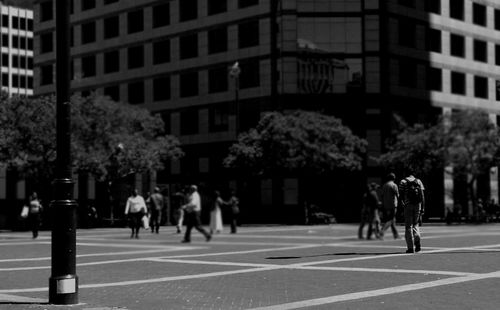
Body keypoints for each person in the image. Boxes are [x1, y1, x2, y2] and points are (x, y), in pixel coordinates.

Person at [399, 169, 425, 253]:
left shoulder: (403, 181)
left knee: (408, 226)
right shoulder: (418, 181)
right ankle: (417, 244)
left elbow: (401, 195)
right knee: (416, 224)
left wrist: (402, 206)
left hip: (408, 205)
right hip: (418, 205)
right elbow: (422, 196)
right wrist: (423, 208)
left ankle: (410, 248)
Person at [380, 173, 400, 239]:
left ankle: (396, 235)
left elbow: (382, 196)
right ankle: (382, 231)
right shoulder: (394, 185)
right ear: (394, 178)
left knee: (392, 220)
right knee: (391, 220)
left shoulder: (384, 185)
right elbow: (397, 195)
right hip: (393, 205)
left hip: (386, 205)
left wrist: (383, 204)